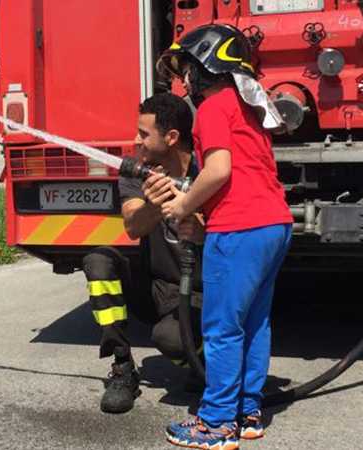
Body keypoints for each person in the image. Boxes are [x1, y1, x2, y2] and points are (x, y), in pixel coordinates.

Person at [157, 24, 293, 450]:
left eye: (186, 71)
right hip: (274, 225)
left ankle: (216, 423)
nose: (184, 82)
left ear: (205, 67)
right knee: (254, 323)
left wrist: (181, 205)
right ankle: (247, 412)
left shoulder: (215, 107)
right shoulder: (248, 104)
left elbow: (218, 172)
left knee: (221, 328)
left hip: (240, 228)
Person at [83, 92, 206, 414]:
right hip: (155, 285)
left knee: (170, 341)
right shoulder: (140, 173)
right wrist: (156, 204)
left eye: (143, 134)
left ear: (172, 137)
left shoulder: (208, 170)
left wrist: (199, 223)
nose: (135, 141)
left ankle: (204, 362)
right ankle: (123, 369)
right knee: (98, 261)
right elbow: (134, 226)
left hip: (200, 291)